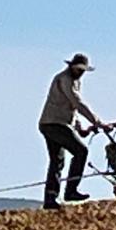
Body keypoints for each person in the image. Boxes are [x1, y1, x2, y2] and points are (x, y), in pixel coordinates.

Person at [38, 53, 103, 209]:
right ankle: (71, 190)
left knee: (57, 161)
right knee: (81, 151)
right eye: (78, 69)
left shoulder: (74, 81)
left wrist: (80, 128)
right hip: (55, 123)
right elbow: (77, 102)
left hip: (52, 123)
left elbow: (72, 108)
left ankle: (50, 199)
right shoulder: (65, 79)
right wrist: (98, 122)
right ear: (71, 66)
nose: (80, 72)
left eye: (82, 70)